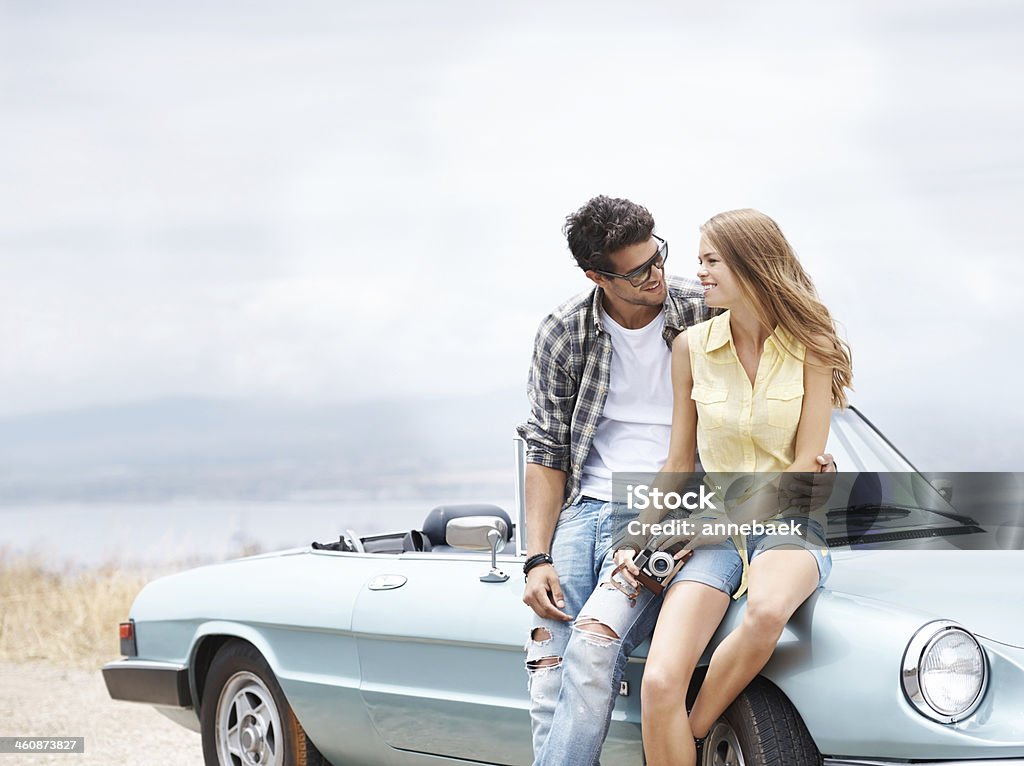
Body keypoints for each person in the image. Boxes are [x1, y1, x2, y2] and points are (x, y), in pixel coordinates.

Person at [518, 197, 836, 766]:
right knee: (553, 665)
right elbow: (560, 451)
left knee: (597, 645)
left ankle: (689, 731)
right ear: (598, 277)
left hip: (725, 518)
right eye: (639, 270)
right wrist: (542, 553)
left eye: (660, 257)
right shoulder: (583, 333)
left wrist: (801, 480)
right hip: (627, 511)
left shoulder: (722, 313)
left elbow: (798, 464)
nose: (665, 274)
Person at [614, 208, 853, 766]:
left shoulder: (811, 345)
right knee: (659, 683)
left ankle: (697, 733)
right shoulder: (690, 348)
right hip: (710, 537)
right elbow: (678, 460)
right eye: (698, 260)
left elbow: (801, 470)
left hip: (786, 521)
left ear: (750, 264)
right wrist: (637, 536)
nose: (698, 273)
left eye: (711, 261)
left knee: (767, 613)